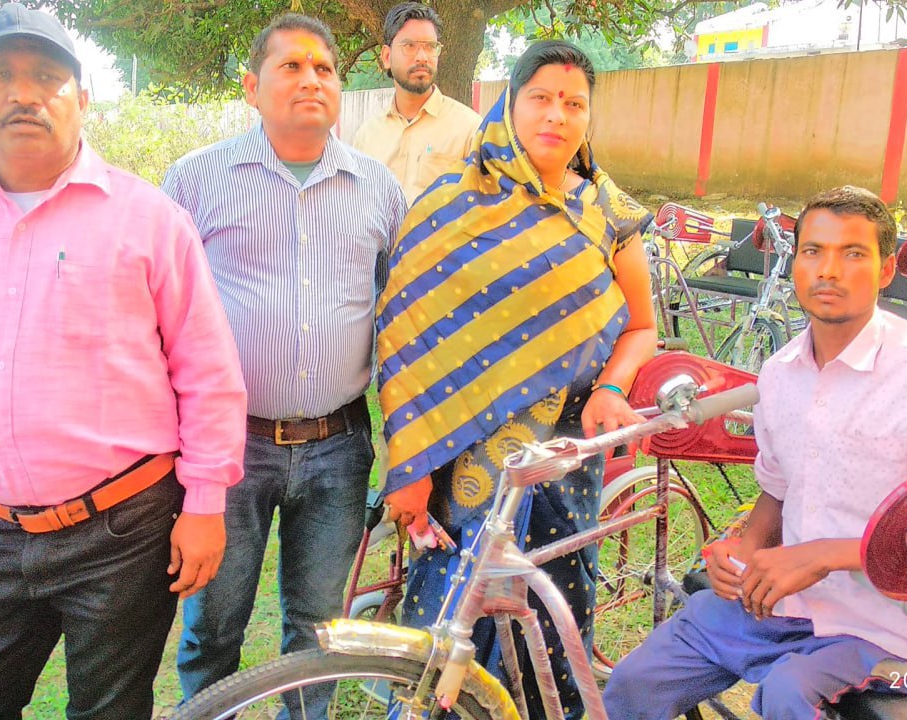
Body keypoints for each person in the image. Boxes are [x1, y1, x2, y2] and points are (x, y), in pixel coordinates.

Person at [0, 4, 247, 718]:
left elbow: (208, 372)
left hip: (123, 529)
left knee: (110, 710)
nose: (24, 93)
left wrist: (206, 502)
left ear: (82, 97)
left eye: (47, 76)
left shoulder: (148, 219)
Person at [603, 186, 907, 719]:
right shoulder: (782, 373)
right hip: (785, 605)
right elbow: (779, 489)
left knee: (790, 695)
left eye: (853, 254)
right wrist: (745, 550)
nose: (828, 271)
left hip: (896, 628)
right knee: (635, 683)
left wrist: (822, 556)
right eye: (813, 252)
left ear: (886, 271)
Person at [379, 40, 658, 720]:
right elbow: (409, 341)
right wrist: (409, 467)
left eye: (573, 103)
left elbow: (642, 327)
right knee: (453, 607)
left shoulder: (606, 212)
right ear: (509, 104)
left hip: (565, 452)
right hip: (466, 456)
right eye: (540, 97)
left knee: (552, 603)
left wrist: (613, 387)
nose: (556, 116)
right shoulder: (451, 203)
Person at [162, 13, 406, 716]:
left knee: (318, 630)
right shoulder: (195, 181)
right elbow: (159, 320)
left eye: (324, 68)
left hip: (338, 446)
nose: (311, 80)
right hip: (227, 448)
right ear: (251, 86)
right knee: (213, 626)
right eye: (291, 67)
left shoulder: (379, 190)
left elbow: (400, 316)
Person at [352, 1, 480, 204]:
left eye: (430, 47)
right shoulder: (366, 136)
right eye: (409, 46)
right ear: (386, 56)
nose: (422, 57)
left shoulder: (470, 130)